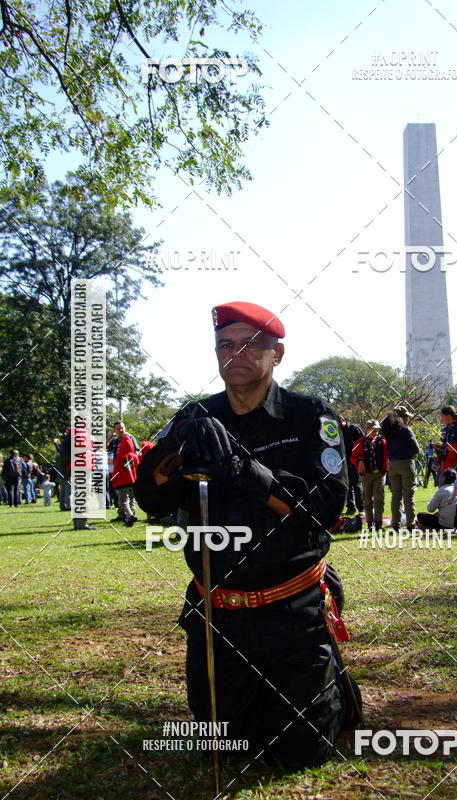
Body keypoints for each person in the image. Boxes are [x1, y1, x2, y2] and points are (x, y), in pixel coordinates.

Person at [134, 300, 361, 769]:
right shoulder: (196, 415)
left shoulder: (309, 415)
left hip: (291, 610)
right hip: (218, 613)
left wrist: (242, 471)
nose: (235, 353)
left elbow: (323, 509)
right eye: (225, 344)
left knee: (297, 754)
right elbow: (151, 498)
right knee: (223, 747)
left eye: (250, 345)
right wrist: (178, 448)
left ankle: (332, 683)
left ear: (277, 354)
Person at [380, 406, 420, 530]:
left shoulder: (388, 430)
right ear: (402, 417)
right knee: (408, 494)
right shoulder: (406, 430)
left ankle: (395, 523)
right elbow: (416, 448)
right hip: (406, 462)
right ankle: (410, 523)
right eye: (406, 416)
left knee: (396, 495)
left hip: (392, 464)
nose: (408, 419)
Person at [350, 419, 388, 531]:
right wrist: (359, 460)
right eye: (373, 430)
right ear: (366, 429)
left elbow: (387, 456)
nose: (376, 432)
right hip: (366, 475)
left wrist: (385, 469)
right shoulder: (360, 442)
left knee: (379, 499)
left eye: (377, 430)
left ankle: (378, 523)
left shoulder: (382, 441)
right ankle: (370, 523)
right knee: (367, 499)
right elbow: (352, 457)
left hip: (379, 474)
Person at [111, 422, 140, 526]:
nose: (121, 430)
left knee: (123, 501)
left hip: (122, 481)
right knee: (131, 499)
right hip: (133, 480)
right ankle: (129, 516)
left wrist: (114, 479)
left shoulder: (119, 457)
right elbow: (137, 467)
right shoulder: (134, 457)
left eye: (122, 428)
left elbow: (116, 470)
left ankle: (130, 515)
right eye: (118, 428)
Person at [433, 406, 457, 474]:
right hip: (447, 466)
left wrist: (455, 448)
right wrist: (436, 446)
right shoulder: (447, 429)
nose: (441, 419)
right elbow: (446, 448)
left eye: (442, 416)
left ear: (448, 416)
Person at [338, 415, 364, 515]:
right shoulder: (338, 432)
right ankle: (350, 507)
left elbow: (364, 442)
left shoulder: (354, 429)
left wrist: (360, 458)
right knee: (347, 486)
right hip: (344, 462)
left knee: (357, 485)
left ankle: (361, 508)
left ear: (342, 420)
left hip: (356, 461)